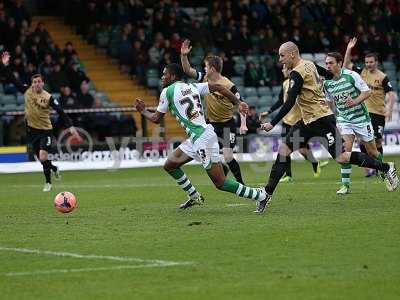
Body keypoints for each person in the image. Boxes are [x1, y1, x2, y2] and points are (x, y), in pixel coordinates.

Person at [257, 42, 398, 213]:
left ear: (292, 54)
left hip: (322, 120)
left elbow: (290, 101)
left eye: (282, 55)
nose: (280, 60)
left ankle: (386, 168)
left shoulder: (296, 74)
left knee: (342, 157)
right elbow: (329, 76)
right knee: (283, 151)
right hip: (307, 121)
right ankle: (266, 194)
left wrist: (273, 122)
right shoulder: (309, 64)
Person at [134, 63, 266, 210]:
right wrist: (238, 102)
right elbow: (220, 87)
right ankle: (195, 196)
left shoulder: (167, 91)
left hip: (202, 139)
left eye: (165, 74)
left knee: (220, 183)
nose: (162, 77)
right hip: (197, 138)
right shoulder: (193, 86)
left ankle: (260, 195)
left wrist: (143, 110)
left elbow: (156, 119)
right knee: (170, 165)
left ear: (172, 76)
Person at [0, 51, 80, 192]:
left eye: (39, 82)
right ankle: (54, 168)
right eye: (34, 82)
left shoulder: (48, 97)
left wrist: (70, 126)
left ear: (43, 83)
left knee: (43, 156)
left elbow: (60, 111)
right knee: (42, 160)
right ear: (32, 84)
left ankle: (48, 183)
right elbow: (12, 78)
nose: (37, 84)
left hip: (46, 131)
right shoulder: (26, 91)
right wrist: (5, 65)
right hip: (32, 130)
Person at [181, 39, 246, 184]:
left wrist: (243, 124)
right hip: (211, 124)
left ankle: (242, 184)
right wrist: (184, 56)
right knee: (202, 150)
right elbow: (187, 70)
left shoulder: (229, 85)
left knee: (228, 156)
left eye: (205, 66)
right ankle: (223, 170)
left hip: (227, 124)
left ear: (212, 69)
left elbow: (241, 105)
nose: (204, 69)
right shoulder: (205, 80)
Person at [323, 52, 384, 194]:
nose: (328, 66)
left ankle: (384, 168)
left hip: (362, 119)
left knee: (372, 152)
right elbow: (330, 103)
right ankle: (346, 186)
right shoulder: (327, 83)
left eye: (331, 63)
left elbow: (366, 92)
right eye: (326, 63)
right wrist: (331, 118)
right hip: (344, 120)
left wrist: (354, 101)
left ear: (339, 63)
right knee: (345, 152)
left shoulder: (351, 75)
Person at [260, 64, 328, 183]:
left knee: (302, 150)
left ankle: (315, 162)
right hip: (287, 120)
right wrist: (269, 111)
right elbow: (281, 100)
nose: (282, 70)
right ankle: (288, 175)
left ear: (290, 70)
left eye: (284, 68)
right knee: (285, 148)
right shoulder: (285, 83)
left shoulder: (297, 81)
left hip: (298, 121)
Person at [343, 37, 397, 176]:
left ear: (376, 62)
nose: (368, 64)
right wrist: (349, 49)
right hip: (364, 113)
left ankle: (382, 168)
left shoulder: (383, 77)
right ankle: (368, 169)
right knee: (362, 140)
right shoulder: (362, 72)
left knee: (377, 142)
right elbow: (346, 64)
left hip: (378, 113)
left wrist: (389, 110)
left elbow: (391, 94)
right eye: (367, 62)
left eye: (371, 62)